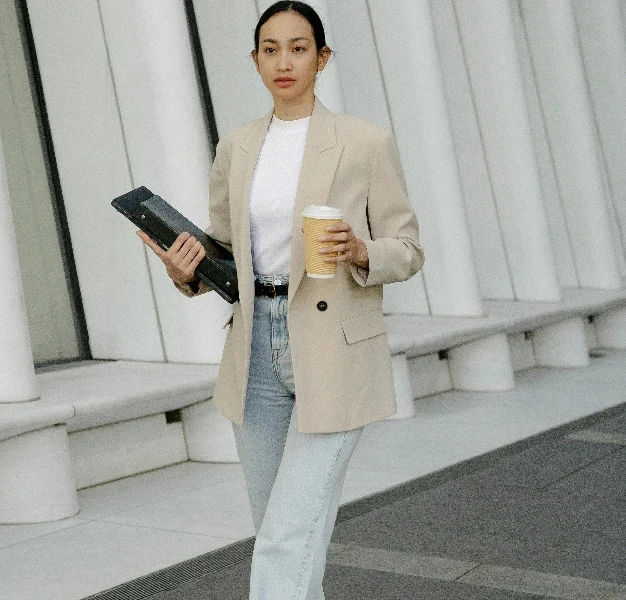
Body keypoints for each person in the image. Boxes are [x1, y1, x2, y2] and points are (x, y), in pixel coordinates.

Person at [138, 2, 424, 598]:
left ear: (322, 58)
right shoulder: (237, 147)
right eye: (270, 49)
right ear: (255, 60)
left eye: (298, 48)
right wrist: (182, 269)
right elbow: (220, 248)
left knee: (285, 536)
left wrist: (361, 250)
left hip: (333, 347)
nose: (284, 61)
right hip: (255, 344)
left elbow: (409, 248)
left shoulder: (364, 142)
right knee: (284, 527)